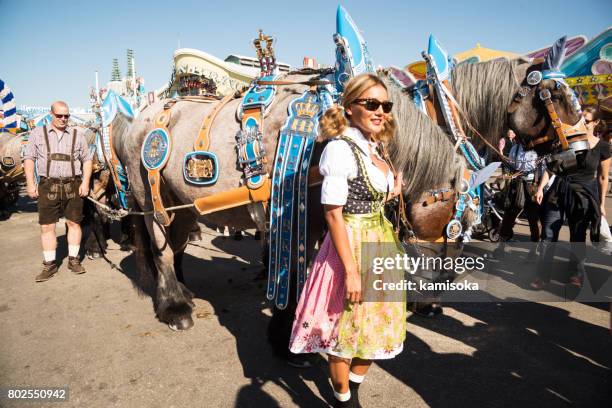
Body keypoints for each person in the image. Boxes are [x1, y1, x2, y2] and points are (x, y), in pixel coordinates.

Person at [288, 74, 405, 408]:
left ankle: (352, 386)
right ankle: (344, 400)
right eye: (370, 103)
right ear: (349, 108)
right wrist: (351, 271)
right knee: (342, 330)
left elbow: (372, 190)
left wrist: (391, 187)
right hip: (349, 246)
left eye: (385, 105)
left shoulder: (375, 147)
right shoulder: (339, 149)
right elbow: (333, 214)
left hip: (379, 243)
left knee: (375, 327)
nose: (380, 111)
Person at [530, 111, 610, 289]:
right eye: (580, 117)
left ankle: (575, 274)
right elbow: (552, 168)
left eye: (586, 119)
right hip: (559, 191)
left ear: (596, 122)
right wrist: (542, 187)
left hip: (583, 194)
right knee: (548, 234)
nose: (582, 121)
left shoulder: (603, 147)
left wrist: (602, 204)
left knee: (577, 236)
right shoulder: (567, 141)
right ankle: (542, 276)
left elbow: (603, 178)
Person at [24, 101, 93, 282]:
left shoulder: (78, 135)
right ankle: (50, 264)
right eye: (59, 116)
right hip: (48, 185)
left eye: (66, 116)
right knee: (47, 226)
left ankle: (73, 259)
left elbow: (87, 159)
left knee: (74, 223)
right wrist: (30, 183)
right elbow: (29, 158)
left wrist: (85, 182)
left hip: (73, 184)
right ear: (51, 115)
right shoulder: (37, 133)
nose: (63, 119)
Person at [494, 129, 543, 259]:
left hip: (531, 186)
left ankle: (533, 251)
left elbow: (543, 170)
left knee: (533, 219)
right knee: (509, 216)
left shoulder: (538, 150)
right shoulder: (515, 148)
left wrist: (541, 189)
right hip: (516, 185)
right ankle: (501, 246)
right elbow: (510, 166)